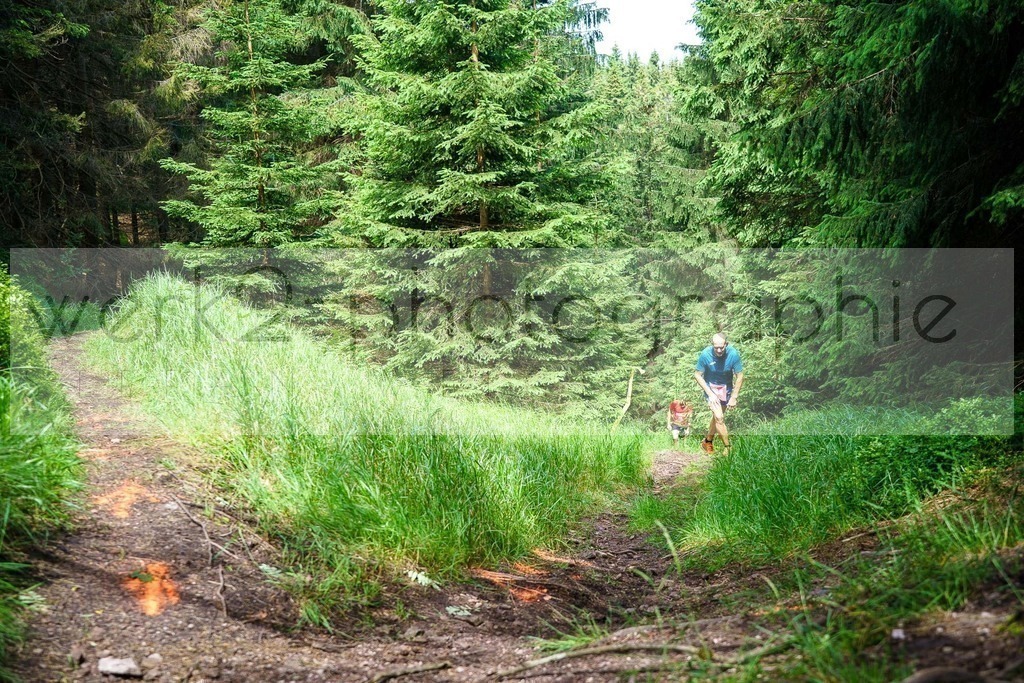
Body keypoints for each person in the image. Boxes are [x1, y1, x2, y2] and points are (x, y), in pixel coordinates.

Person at [694, 333, 743, 454]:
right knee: (719, 418)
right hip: (711, 388)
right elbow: (697, 374)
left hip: (726, 388)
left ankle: (707, 441)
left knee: (717, 417)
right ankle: (728, 448)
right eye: (716, 347)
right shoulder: (705, 354)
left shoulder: (733, 354)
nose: (719, 350)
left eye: (722, 347)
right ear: (712, 345)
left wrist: (734, 397)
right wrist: (710, 393)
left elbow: (740, 376)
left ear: (726, 344)